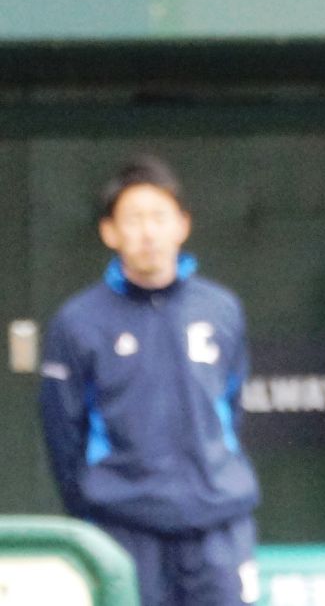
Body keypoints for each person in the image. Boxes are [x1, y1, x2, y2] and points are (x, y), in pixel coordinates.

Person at [39, 156, 260, 606]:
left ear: (182, 224)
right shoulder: (77, 322)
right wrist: (96, 505)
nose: (148, 232)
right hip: (124, 529)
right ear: (110, 232)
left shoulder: (221, 308)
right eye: (134, 219)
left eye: (159, 217)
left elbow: (232, 407)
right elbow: (62, 432)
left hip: (218, 527)